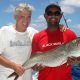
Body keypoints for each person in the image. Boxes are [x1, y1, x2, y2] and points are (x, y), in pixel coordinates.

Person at [32, 3, 78, 80]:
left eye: (56, 13)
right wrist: (35, 67)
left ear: (60, 16)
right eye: (50, 13)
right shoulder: (37, 37)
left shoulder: (70, 34)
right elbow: (33, 62)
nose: (53, 16)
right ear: (45, 16)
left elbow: (78, 58)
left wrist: (75, 61)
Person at [0, 3, 38, 80]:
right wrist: (13, 66)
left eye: (28, 17)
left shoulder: (33, 33)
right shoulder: (4, 31)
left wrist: (60, 28)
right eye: (22, 17)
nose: (26, 20)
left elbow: (48, 36)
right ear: (15, 17)